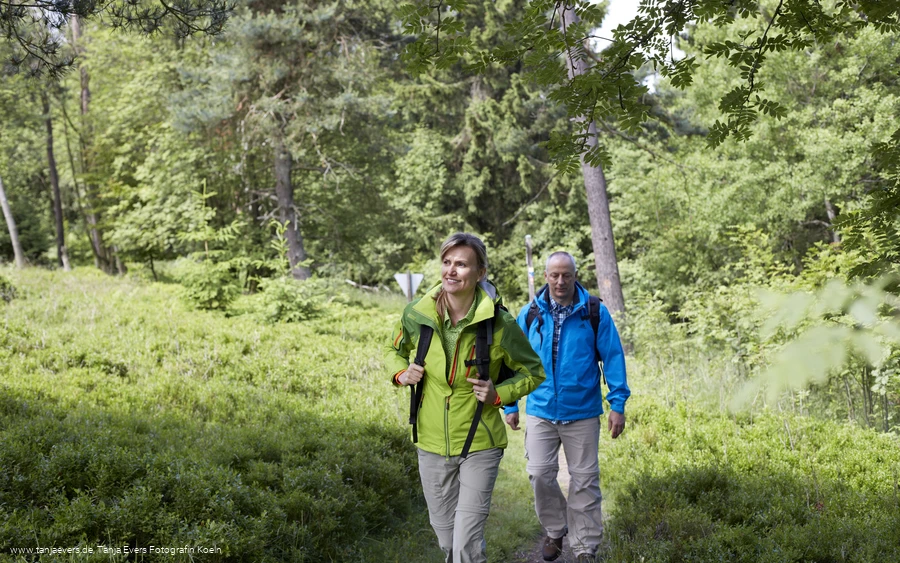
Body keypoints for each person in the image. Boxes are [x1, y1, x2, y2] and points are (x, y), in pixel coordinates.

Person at [386, 232, 546, 563]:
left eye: (461, 264)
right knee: (447, 538)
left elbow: (533, 372)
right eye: (447, 262)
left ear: (480, 272)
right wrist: (402, 374)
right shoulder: (417, 315)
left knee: (465, 544)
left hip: (480, 444)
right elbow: (394, 350)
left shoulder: (499, 323)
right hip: (430, 443)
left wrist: (498, 394)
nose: (451, 271)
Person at [504, 251, 630, 563]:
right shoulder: (531, 313)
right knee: (539, 473)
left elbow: (613, 356)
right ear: (546, 277)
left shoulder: (593, 311)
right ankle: (556, 528)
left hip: (583, 411)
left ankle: (585, 545)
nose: (560, 281)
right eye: (554, 275)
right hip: (540, 408)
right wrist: (510, 403)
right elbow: (511, 359)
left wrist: (617, 403)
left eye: (567, 275)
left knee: (585, 478)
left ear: (575, 275)